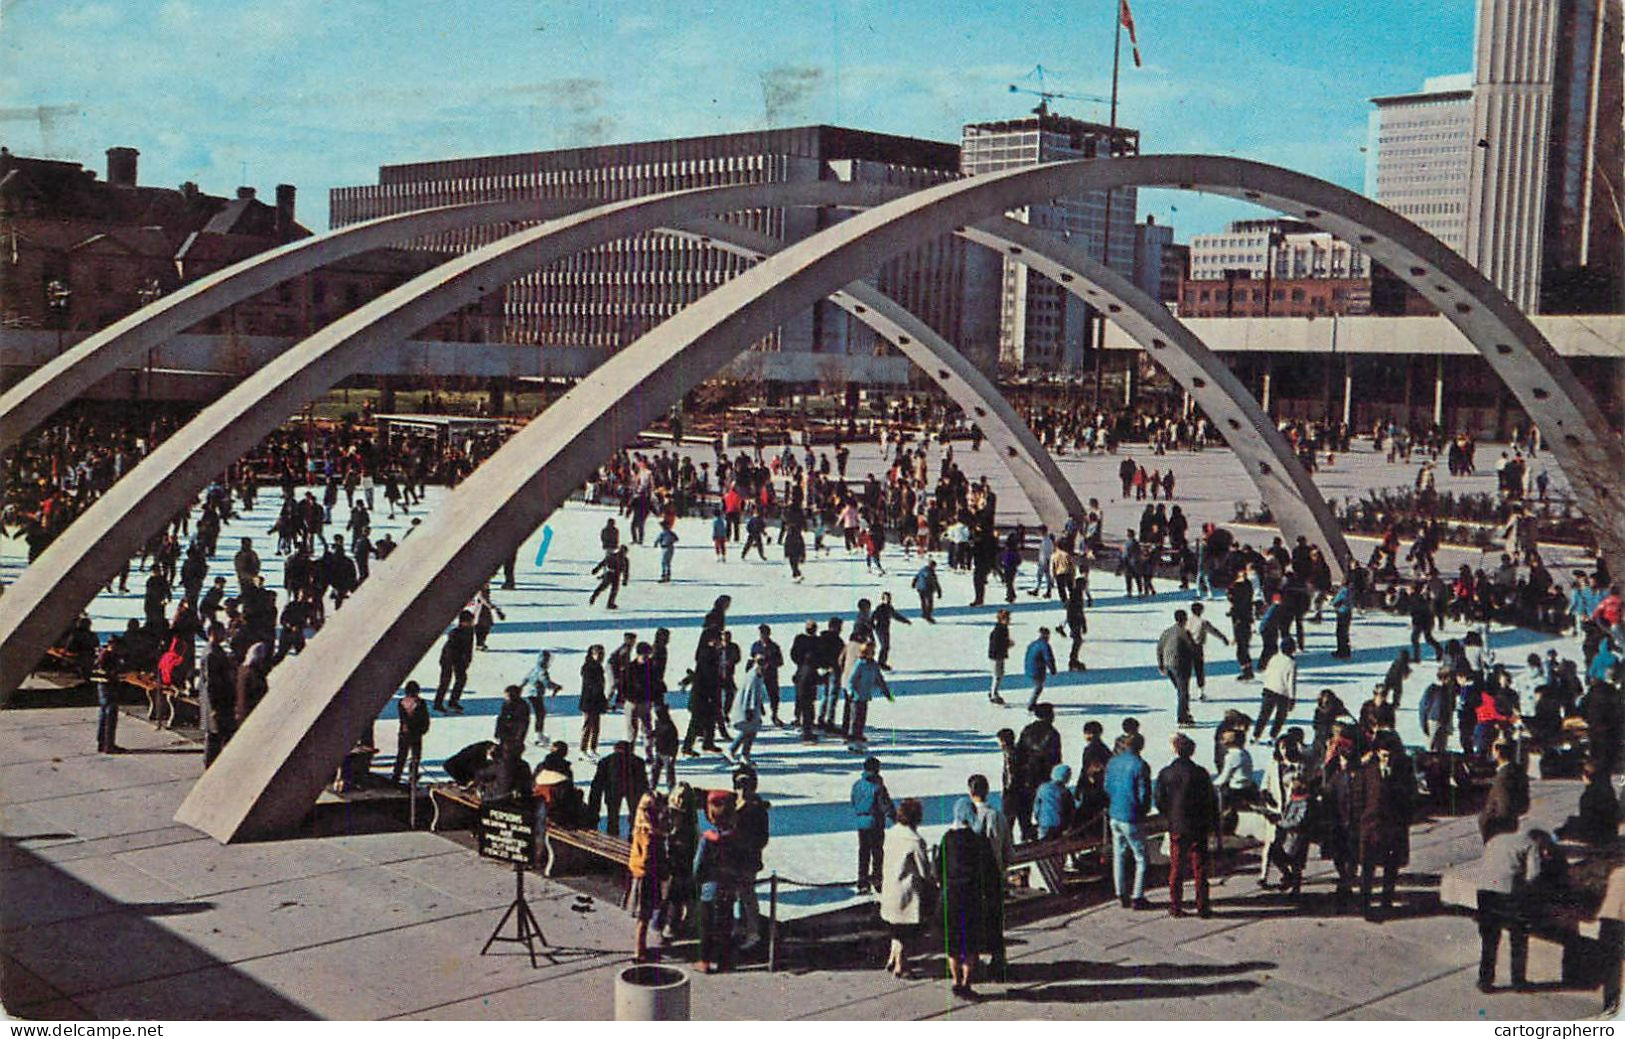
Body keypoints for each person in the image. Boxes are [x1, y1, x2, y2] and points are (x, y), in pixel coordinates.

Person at [1474, 826, 1554, 993]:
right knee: (1518, 938)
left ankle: (1485, 980)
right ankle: (1518, 981)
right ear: (1539, 839)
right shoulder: (1531, 844)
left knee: (1489, 939)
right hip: (1508, 893)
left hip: (1484, 891)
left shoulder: (1496, 838)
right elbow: (1533, 874)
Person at [939, 797, 1001, 1002]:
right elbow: (990, 870)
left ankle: (956, 981)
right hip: (972, 896)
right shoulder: (979, 840)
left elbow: (938, 867)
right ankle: (966, 982)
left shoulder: (947, 838)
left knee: (954, 943)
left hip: (951, 896)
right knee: (970, 944)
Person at [1156, 733, 1216, 918]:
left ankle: (1175, 904)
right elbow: (1210, 800)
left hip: (1177, 824)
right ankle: (1202, 905)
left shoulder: (1166, 773)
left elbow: (1159, 800)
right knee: (1200, 867)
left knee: (1176, 867)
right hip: (1198, 825)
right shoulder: (1201, 773)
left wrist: (1170, 814)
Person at [1355, 734, 1413, 921]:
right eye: (1383, 755)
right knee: (1367, 868)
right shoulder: (1367, 772)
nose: (1387, 759)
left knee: (1391, 868)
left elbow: (1411, 799)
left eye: (1390, 756)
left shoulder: (1403, 773)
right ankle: (1365, 904)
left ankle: (1386, 903)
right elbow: (1359, 798)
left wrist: (1404, 821)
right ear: (1377, 753)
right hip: (1370, 827)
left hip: (1393, 828)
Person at [879, 797, 932, 979]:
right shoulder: (915, 841)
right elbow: (924, 871)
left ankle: (893, 956)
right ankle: (901, 965)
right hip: (907, 892)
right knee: (907, 930)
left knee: (895, 926)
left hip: (890, 888)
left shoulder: (891, 834)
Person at [1106, 731, 1153, 909]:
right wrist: (1143, 810)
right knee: (1141, 857)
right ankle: (1138, 895)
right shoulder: (1140, 765)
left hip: (1115, 812)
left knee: (1119, 854)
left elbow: (1107, 786)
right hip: (1131, 815)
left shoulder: (1113, 762)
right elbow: (1143, 793)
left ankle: (1121, 891)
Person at [693, 790, 737, 973]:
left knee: (706, 927)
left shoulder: (707, 839)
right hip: (728, 887)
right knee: (725, 926)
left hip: (709, 888)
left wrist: (697, 879)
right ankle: (723, 961)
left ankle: (704, 960)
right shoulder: (735, 838)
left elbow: (698, 864)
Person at [626, 792, 668, 964]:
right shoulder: (650, 834)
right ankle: (639, 951)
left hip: (639, 874)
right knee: (644, 916)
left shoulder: (638, 827)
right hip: (647, 876)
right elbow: (649, 857)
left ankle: (640, 947)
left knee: (643, 916)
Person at [733, 771, 771, 951]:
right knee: (740, 895)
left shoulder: (756, 809)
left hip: (748, 859)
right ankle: (742, 925)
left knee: (748, 896)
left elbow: (763, 838)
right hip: (735, 858)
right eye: (739, 786)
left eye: (744, 786)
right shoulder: (737, 804)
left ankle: (752, 932)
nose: (741, 790)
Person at [851, 756, 895, 894]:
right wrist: (894, 816)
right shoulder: (878, 787)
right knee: (877, 852)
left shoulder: (857, 784)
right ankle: (877, 879)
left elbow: (853, 800)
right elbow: (884, 805)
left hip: (861, 822)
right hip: (875, 822)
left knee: (863, 852)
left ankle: (862, 880)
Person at [588, 740, 650, 838]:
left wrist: (593, 808)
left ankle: (613, 836)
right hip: (633, 791)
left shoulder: (606, 761)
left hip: (612, 791)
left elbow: (597, 785)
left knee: (612, 817)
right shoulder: (638, 761)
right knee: (635, 816)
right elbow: (643, 782)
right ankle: (633, 838)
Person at [1478, 740, 1530, 844]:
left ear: (1497, 752)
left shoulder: (1503, 777)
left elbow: (1503, 807)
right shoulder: (1517, 770)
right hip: (1512, 822)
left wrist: (1492, 822)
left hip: (1498, 828)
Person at [845, 643, 891, 747]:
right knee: (855, 716)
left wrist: (886, 692)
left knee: (862, 716)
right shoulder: (860, 664)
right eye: (871, 652)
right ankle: (852, 735)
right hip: (856, 695)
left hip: (865, 695)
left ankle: (859, 734)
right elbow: (851, 680)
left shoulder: (873, 665)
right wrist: (850, 691)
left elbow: (879, 679)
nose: (873, 654)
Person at [726, 655, 769, 766]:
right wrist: (748, 710)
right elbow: (749, 694)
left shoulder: (758, 675)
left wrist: (761, 707)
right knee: (748, 731)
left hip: (753, 708)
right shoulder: (753, 676)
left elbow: (758, 694)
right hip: (748, 709)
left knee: (751, 732)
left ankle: (744, 754)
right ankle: (733, 750)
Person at [1253, 637, 1298, 742]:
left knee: (1264, 714)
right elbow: (1291, 682)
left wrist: (1266, 685)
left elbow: (1267, 673)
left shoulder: (1274, 658)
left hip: (1269, 689)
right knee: (1280, 716)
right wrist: (1292, 698)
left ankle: (1256, 735)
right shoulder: (1291, 663)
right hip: (1283, 693)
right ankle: (1273, 736)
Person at [1158, 611, 1199, 725]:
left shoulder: (1167, 632)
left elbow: (1160, 647)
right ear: (1185, 619)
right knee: (1183, 692)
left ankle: (1184, 712)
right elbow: (1192, 648)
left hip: (1168, 664)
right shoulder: (1184, 633)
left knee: (1181, 691)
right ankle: (1182, 717)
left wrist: (1161, 664)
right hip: (1180, 664)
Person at [1185, 602, 1229, 702]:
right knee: (1199, 670)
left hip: (1186, 647)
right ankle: (1201, 693)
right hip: (1197, 647)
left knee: (1187, 671)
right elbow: (1213, 631)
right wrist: (1223, 638)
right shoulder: (1203, 622)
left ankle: (1185, 692)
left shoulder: (1187, 621)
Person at [520, 649, 563, 748]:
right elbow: (546, 683)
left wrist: (520, 687)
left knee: (540, 714)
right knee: (540, 714)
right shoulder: (542, 671)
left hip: (531, 694)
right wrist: (556, 686)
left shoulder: (534, 669)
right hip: (536, 695)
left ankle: (539, 734)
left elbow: (526, 679)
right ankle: (538, 736)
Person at [434, 611, 475, 713]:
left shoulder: (470, 631)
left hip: (460, 660)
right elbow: (450, 650)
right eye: (469, 621)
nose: (471, 623)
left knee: (461, 679)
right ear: (462, 622)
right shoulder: (455, 633)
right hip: (448, 659)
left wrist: (467, 661)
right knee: (445, 681)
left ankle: (453, 702)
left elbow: (469, 648)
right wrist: (457, 662)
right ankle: (438, 704)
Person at [391, 681, 431, 785]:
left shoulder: (401, 702)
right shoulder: (420, 703)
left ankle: (396, 776)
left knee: (402, 755)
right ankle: (412, 776)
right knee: (415, 756)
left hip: (405, 733)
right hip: (416, 733)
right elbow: (425, 718)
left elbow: (403, 718)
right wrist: (423, 729)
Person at [577, 644, 607, 759]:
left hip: (597, 700)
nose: (600, 657)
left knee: (596, 727)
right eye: (598, 654)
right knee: (588, 726)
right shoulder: (588, 667)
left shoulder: (599, 667)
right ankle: (583, 749)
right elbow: (590, 684)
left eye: (602, 654)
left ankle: (592, 748)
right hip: (588, 701)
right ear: (592, 654)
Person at [1034, 764, 1075, 839]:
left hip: (1044, 823)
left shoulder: (1042, 788)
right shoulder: (1065, 792)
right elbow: (1070, 810)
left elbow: (1037, 806)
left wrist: (1038, 818)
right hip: (1059, 825)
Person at [1024, 627, 1057, 711]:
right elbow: (1049, 658)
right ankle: (1031, 704)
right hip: (1037, 670)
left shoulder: (1033, 643)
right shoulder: (1045, 646)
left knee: (1038, 686)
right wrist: (1053, 669)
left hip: (1029, 668)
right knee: (1038, 687)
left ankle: (1032, 703)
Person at [987, 610, 1013, 705]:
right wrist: (1007, 644)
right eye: (1007, 618)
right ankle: (993, 694)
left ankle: (994, 691)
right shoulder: (999, 630)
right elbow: (997, 643)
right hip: (996, 656)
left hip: (1000, 655)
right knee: (997, 675)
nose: (1009, 620)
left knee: (1000, 674)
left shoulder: (1003, 628)